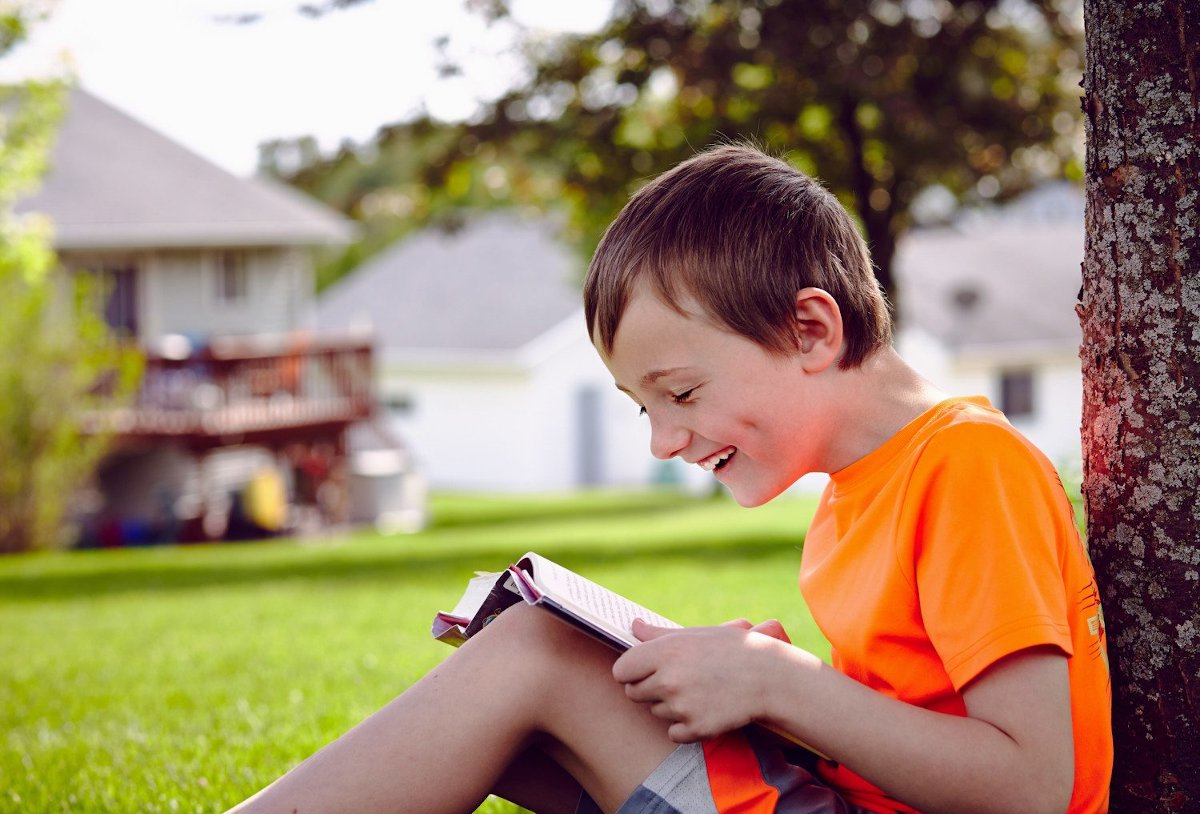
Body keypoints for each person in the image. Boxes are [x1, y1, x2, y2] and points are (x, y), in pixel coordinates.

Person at [227, 143, 1112, 814]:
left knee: (535, 656)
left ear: (811, 330)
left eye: (680, 393)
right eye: (639, 407)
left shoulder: (967, 466)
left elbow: (1030, 786)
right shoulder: (859, 489)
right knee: (550, 673)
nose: (662, 441)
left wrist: (779, 683)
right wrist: (757, 692)